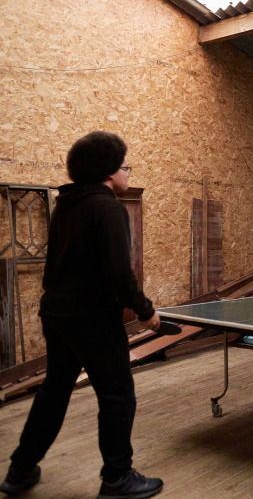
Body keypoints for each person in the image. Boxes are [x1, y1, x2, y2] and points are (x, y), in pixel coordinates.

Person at [0, 131, 164, 498]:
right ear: (108, 170)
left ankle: (20, 469)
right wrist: (146, 311)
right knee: (118, 395)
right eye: (125, 167)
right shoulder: (108, 208)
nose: (128, 173)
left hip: (57, 314)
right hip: (92, 318)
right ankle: (118, 477)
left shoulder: (67, 204)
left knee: (54, 391)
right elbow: (119, 273)